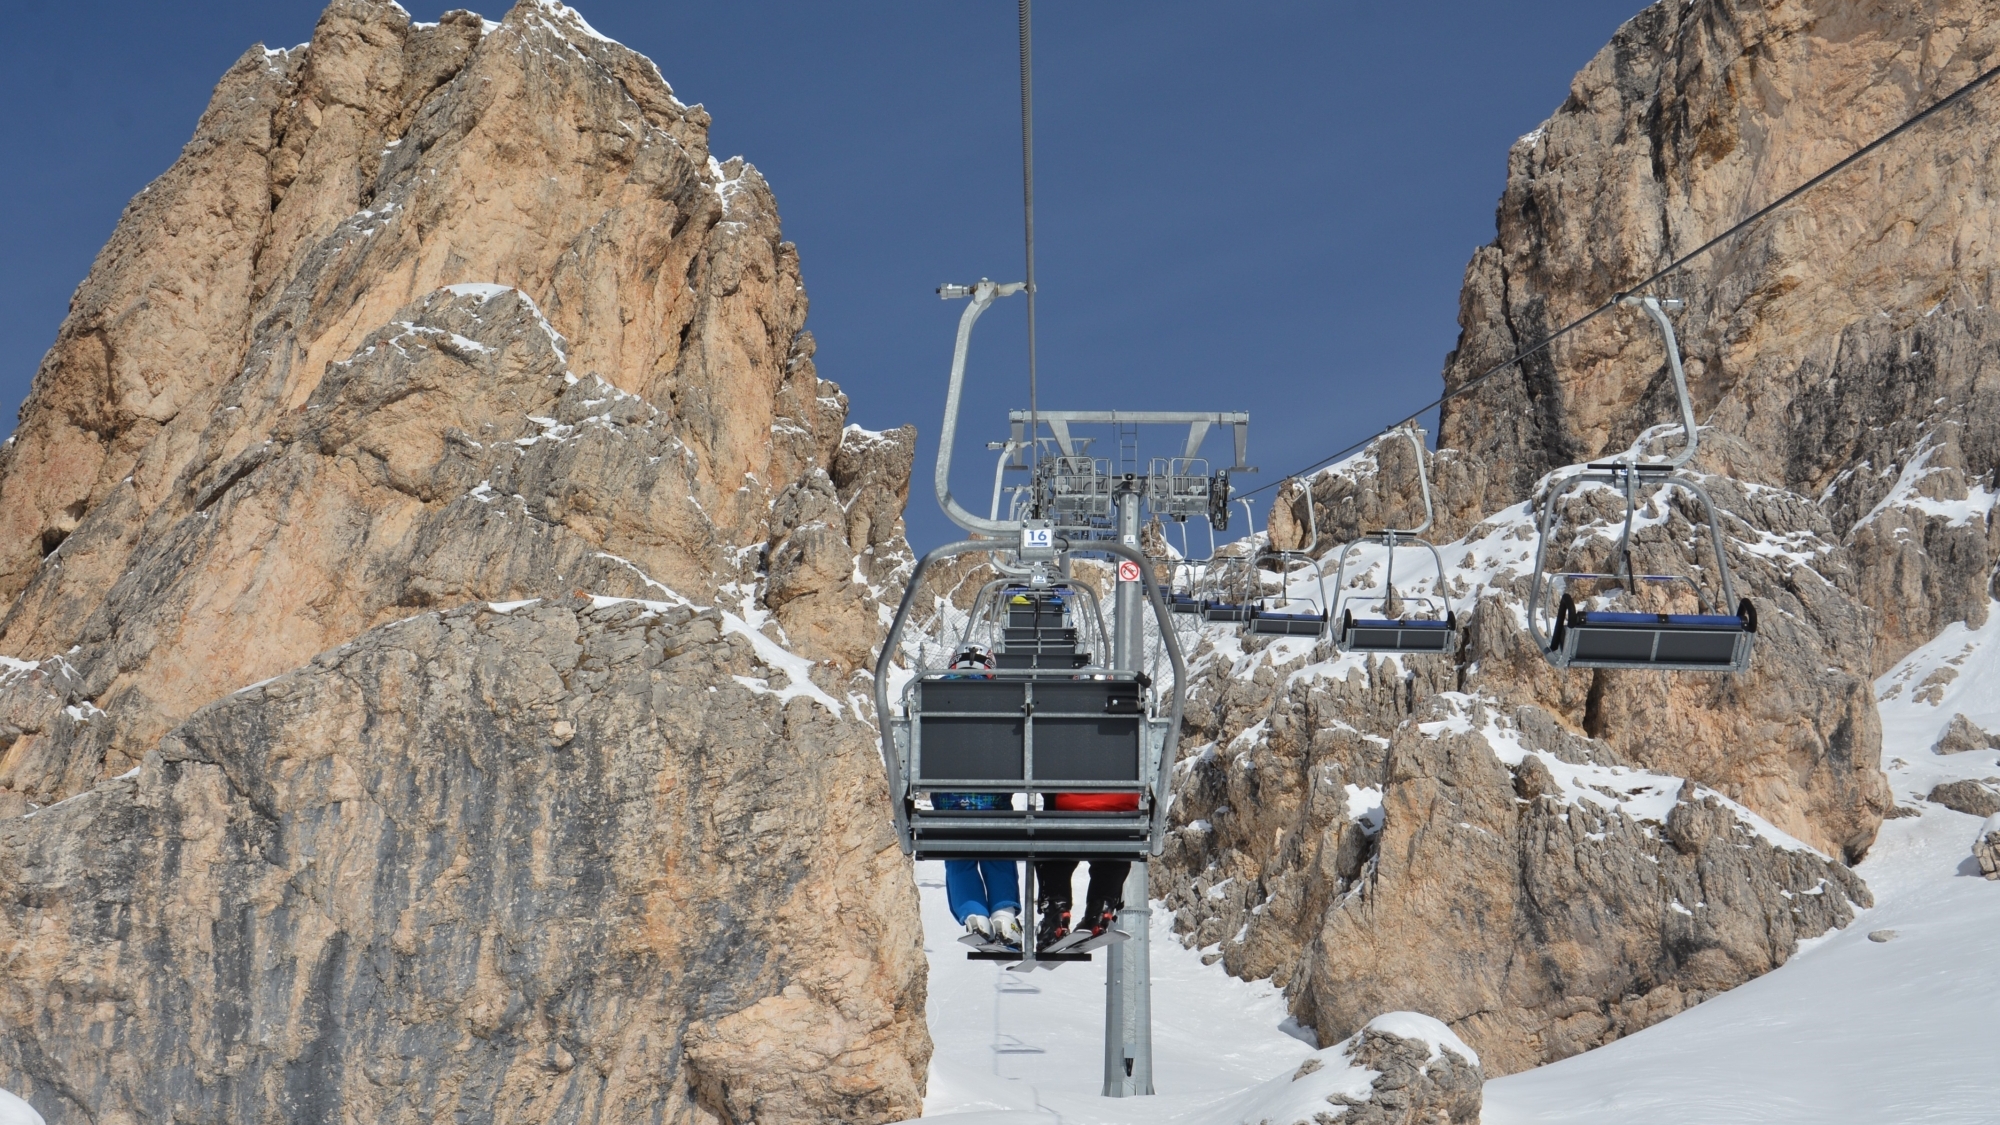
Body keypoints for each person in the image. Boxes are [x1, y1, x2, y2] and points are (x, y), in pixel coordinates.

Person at [933, 646, 1023, 948]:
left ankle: (973, 914)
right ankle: (1004, 913)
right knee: (998, 853)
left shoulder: (930, 693)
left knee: (959, 858)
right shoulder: (1006, 697)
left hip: (949, 802)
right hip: (994, 800)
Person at [1033, 790, 1139, 945]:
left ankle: (1057, 913)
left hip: (1067, 807)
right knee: (1113, 854)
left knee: (1055, 856)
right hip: (1122, 810)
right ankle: (1100, 911)